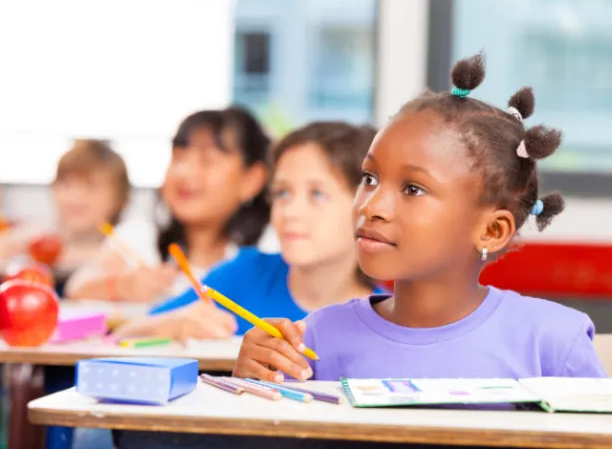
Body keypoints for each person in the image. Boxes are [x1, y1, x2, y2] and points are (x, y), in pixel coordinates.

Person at [233, 53, 607, 383]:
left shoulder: (554, 344)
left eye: (412, 188)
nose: (371, 205)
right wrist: (250, 386)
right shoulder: (314, 339)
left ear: (492, 230)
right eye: (369, 178)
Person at [114, 122, 384, 342]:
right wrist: (173, 325)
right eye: (282, 192)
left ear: (366, 206)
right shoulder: (243, 274)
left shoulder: (390, 313)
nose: (289, 211)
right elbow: (124, 335)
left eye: (317, 194)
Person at [64, 107, 276, 304]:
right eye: (178, 158)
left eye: (207, 160)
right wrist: (121, 286)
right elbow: (76, 289)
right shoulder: (138, 239)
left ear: (252, 179)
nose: (184, 173)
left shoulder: (271, 249)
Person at [0, 139, 130, 275]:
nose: (75, 196)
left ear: (119, 198)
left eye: (91, 186)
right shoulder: (36, 234)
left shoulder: (125, 241)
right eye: (66, 185)